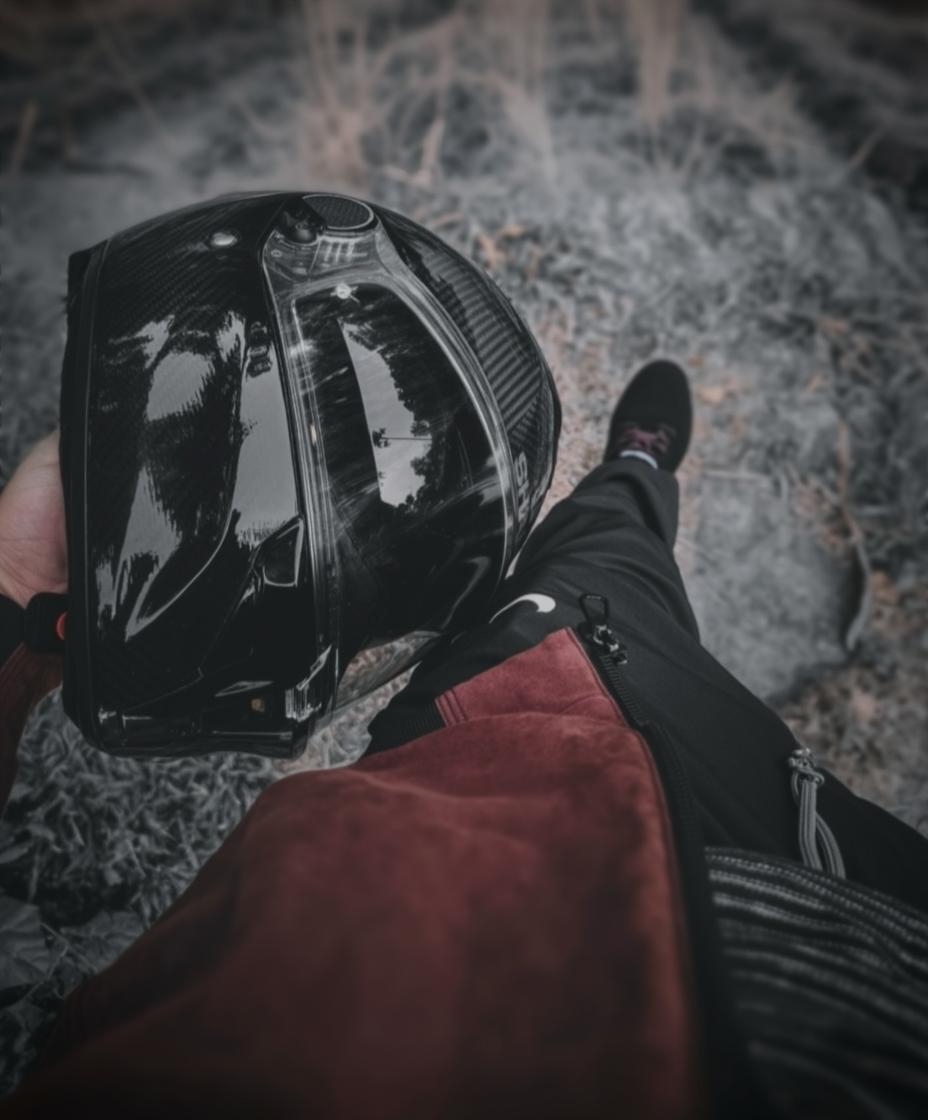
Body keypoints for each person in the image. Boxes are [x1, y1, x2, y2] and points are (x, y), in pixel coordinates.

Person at [1, 360, 927, 1118]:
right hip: (842, 876)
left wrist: (15, 593)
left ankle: (610, 497)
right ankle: (638, 469)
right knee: (611, 553)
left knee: (542, 601)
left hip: (481, 804)